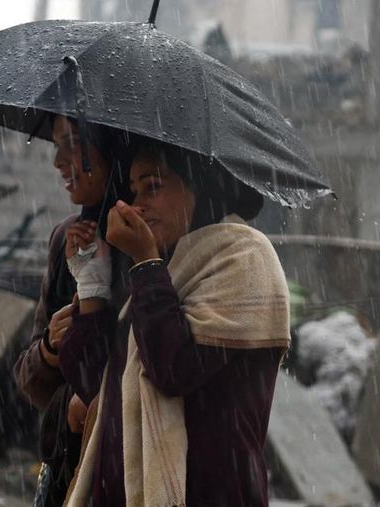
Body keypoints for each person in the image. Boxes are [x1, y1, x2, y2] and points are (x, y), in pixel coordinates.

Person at [58, 141, 288, 506]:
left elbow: (174, 368)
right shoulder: (166, 269)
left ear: (199, 186)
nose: (137, 205)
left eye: (153, 186)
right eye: (134, 191)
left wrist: (146, 263)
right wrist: (92, 286)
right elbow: (95, 381)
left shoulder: (244, 259)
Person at [13, 114, 133, 506]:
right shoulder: (68, 239)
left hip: (126, 477)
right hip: (66, 475)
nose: (58, 161)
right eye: (56, 144)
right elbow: (29, 380)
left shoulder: (150, 245)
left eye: (74, 142)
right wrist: (50, 348)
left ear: (112, 146)